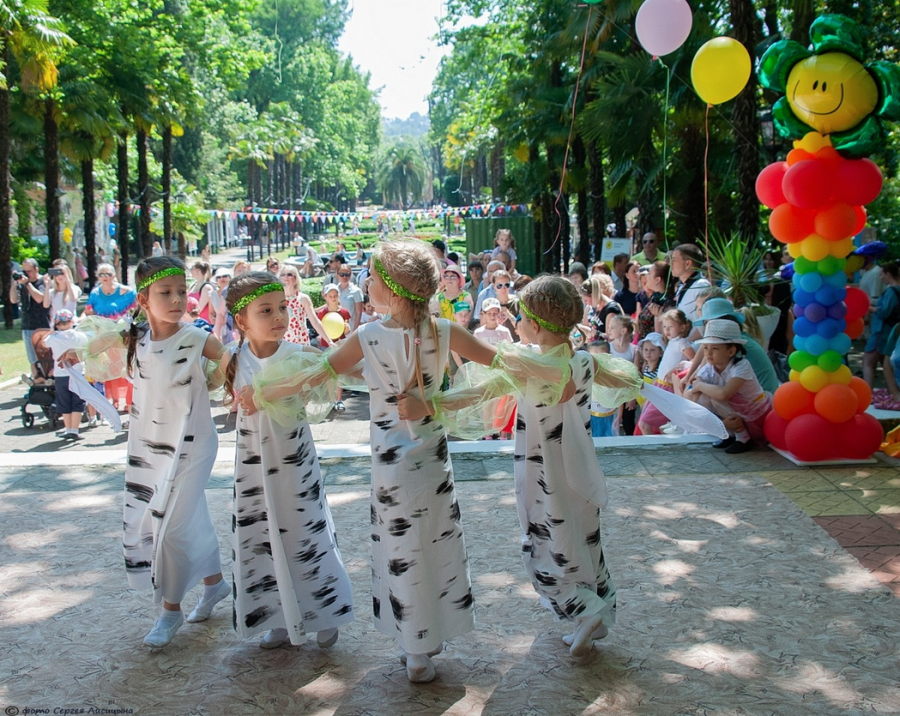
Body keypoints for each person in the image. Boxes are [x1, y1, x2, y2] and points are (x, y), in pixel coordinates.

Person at [242, 239, 507, 683]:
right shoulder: (442, 331)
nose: (366, 282)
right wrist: (440, 403)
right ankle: (427, 634)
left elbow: (318, 373)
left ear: (395, 289)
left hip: (397, 464)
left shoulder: (373, 336)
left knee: (402, 544)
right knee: (432, 539)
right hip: (428, 462)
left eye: (373, 276)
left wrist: (266, 391)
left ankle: (416, 642)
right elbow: (508, 369)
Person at [75, 256, 230, 647]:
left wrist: (241, 386)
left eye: (182, 290)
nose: (177, 298)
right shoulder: (136, 337)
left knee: (170, 526)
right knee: (187, 519)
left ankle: (170, 611)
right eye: (165, 292)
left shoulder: (196, 337)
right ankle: (214, 584)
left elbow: (233, 361)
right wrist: (71, 351)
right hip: (148, 444)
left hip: (192, 445)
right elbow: (98, 345)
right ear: (143, 299)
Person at [222, 272, 355, 649]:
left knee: (305, 534)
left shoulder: (299, 355)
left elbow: (339, 368)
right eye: (266, 310)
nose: (279, 316)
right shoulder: (232, 358)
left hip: (295, 464)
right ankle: (277, 615)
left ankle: (324, 610)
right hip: (252, 466)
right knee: (262, 536)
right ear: (241, 320)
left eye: (282, 307)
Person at [511, 275, 621, 656]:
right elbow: (617, 375)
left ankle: (584, 609)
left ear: (536, 326)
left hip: (546, 475)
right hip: (581, 472)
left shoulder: (530, 365)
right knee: (585, 540)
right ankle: (596, 615)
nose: (515, 323)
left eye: (520, 316)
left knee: (546, 545)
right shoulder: (585, 360)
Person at [674, 319, 773, 454]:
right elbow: (690, 396)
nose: (708, 353)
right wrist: (695, 390)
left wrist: (699, 385)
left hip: (754, 411)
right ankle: (729, 432)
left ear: (731, 351)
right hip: (734, 410)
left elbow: (724, 394)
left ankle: (743, 437)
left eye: (714, 348)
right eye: (706, 348)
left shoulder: (742, 366)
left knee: (715, 398)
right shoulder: (710, 368)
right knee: (704, 399)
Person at [82, 262, 136, 410]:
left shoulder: (128, 292)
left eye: (108, 274)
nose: (105, 277)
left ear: (114, 275)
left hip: (122, 334)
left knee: (124, 367)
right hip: (103, 336)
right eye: (101, 274)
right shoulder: (95, 293)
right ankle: (114, 400)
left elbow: (137, 310)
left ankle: (128, 401)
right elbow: (88, 311)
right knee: (108, 367)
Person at [637, 309, 695, 436]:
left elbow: (695, 361)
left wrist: (676, 369)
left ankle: (652, 450)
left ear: (682, 327)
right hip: (659, 384)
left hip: (668, 388)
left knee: (645, 423)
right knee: (648, 422)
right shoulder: (672, 341)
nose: (667, 330)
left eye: (671, 326)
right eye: (664, 327)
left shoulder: (682, 343)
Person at [43, 309, 88, 440]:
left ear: (56, 324)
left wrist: (50, 332)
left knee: (64, 402)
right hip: (79, 373)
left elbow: (43, 343)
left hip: (61, 375)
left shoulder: (53, 338)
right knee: (78, 402)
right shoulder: (80, 335)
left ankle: (68, 429)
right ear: (72, 321)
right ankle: (75, 430)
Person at [10, 258, 50, 381]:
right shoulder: (21, 283)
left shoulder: (42, 281)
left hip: (41, 326)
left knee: (45, 359)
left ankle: (48, 383)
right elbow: (13, 300)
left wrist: (28, 284)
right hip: (27, 325)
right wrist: (15, 282)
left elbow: (40, 298)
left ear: (36, 269)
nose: (26, 274)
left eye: (29, 271)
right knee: (32, 359)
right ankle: (37, 384)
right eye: (24, 271)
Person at [863, 262, 900, 390]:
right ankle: (892, 391)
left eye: (882, 274)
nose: (880, 278)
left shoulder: (891, 291)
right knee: (886, 363)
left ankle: (868, 391)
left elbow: (884, 312)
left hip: (881, 331)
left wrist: (869, 308)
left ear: (888, 274)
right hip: (892, 330)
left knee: (868, 361)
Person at [316, 284, 351, 410]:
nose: (333, 298)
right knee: (329, 374)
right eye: (330, 296)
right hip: (327, 346)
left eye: (335, 295)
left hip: (340, 346)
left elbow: (346, 332)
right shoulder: (322, 313)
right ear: (325, 297)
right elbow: (320, 328)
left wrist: (347, 329)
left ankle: (338, 399)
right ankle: (331, 400)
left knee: (339, 373)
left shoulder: (344, 312)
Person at [277, 264, 330, 346]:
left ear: (295, 279)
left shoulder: (303, 298)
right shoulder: (276, 299)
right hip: (283, 345)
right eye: (282, 275)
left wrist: (329, 341)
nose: (285, 277)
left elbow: (315, 322)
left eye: (289, 274)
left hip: (301, 343)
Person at [669, 243, 711, 325]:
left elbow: (705, 323)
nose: (671, 264)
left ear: (687, 264)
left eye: (674, 260)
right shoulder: (682, 286)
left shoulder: (701, 286)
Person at [635, 261, 675, 340]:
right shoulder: (655, 297)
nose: (646, 276)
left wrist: (659, 317)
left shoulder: (665, 303)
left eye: (649, 273)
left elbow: (660, 334)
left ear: (657, 280)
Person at [587, 341, 616, 437]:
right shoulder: (586, 374)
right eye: (594, 357)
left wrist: (619, 417)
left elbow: (619, 396)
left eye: (601, 356)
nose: (598, 360)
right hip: (591, 414)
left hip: (610, 414)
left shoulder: (614, 374)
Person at [336, 263, 364, 330]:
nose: (344, 277)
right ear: (337, 275)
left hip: (350, 328)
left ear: (350, 274)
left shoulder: (356, 291)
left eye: (347, 274)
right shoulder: (335, 289)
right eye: (342, 274)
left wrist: (355, 330)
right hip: (336, 327)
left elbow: (359, 312)